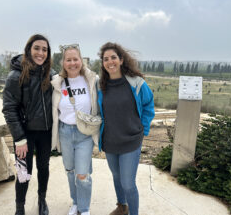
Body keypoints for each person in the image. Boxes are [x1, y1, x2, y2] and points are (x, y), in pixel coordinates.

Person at [97, 42, 155, 215]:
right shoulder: (101, 86)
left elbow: (148, 105)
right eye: (106, 59)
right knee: (117, 177)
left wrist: (143, 130)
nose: (110, 62)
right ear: (103, 63)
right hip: (110, 142)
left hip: (131, 141)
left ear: (121, 60)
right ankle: (122, 206)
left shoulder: (136, 83)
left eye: (113, 57)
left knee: (128, 183)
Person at [2, 34, 54, 215]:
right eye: (37, 48)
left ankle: (42, 200)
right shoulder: (15, 76)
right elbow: (9, 109)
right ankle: (19, 208)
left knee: (44, 168)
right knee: (24, 173)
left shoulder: (51, 75)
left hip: (46, 133)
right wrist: (19, 138)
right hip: (24, 135)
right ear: (28, 50)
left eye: (45, 49)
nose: (41, 53)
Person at [51, 44, 99, 215]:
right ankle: (76, 202)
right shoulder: (57, 82)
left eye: (75, 59)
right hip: (64, 132)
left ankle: (84, 209)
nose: (72, 63)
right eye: (68, 60)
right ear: (63, 62)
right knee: (70, 171)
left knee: (82, 175)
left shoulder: (92, 80)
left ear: (81, 60)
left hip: (84, 134)